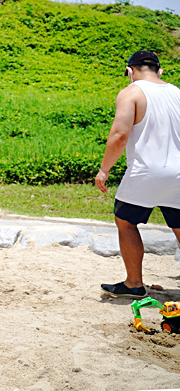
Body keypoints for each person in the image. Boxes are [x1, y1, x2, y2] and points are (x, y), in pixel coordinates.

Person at [95, 50, 180, 298]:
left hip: (147, 173)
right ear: (160, 71)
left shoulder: (131, 92)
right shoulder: (177, 92)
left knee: (125, 221)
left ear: (130, 71)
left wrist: (104, 169)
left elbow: (120, 135)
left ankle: (133, 283)